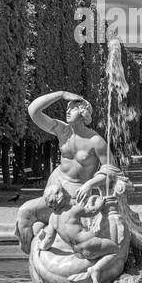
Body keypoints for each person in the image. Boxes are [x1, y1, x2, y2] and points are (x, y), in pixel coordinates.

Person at [14, 91, 110, 252]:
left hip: (76, 197)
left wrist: (89, 184)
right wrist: (61, 94)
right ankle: (31, 256)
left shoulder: (96, 141)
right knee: (24, 213)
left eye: (72, 108)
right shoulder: (63, 131)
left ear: (83, 112)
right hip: (54, 194)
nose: (67, 111)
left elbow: (111, 170)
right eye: (67, 107)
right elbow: (33, 111)